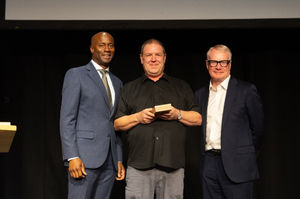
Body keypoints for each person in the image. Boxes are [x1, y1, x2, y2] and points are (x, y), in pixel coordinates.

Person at [114, 39, 202, 199]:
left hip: (173, 166)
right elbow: (117, 123)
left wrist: (177, 114)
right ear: (141, 58)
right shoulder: (128, 88)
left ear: (164, 57)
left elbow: (197, 118)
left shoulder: (181, 86)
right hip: (138, 166)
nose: (153, 59)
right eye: (148, 55)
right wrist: (138, 117)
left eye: (157, 55)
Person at [60, 32, 125, 199]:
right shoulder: (76, 75)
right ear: (92, 48)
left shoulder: (117, 82)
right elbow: (67, 119)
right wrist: (72, 156)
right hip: (84, 159)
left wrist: (118, 158)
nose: (107, 49)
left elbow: (115, 124)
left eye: (110, 45)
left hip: (109, 162)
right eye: (102, 45)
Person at [195, 44, 264, 199]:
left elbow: (258, 129)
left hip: (239, 165)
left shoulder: (246, 90)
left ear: (230, 64)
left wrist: (244, 155)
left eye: (223, 62)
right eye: (214, 62)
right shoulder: (200, 94)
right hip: (209, 164)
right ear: (207, 64)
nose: (218, 66)